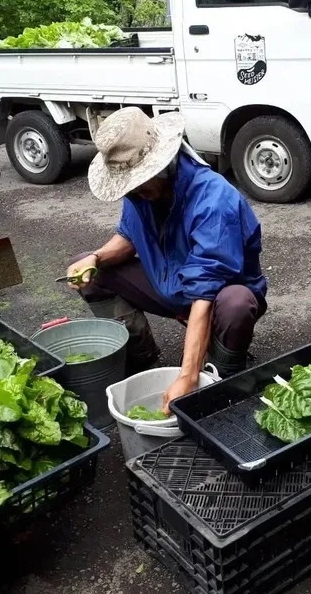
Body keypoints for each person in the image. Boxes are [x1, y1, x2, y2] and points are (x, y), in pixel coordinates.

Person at [67, 106, 267, 413]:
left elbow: (204, 293)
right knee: (92, 270)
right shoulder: (140, 193)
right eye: (130, 186)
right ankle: (142, 357)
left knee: (237, 303)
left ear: (163, 163)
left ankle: (222, 375)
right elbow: (129, 237)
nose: (135, 191)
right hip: (170, 284)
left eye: (140, 182)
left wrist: (187, 376)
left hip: (215, 296)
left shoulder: (213, 199)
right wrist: (96, 257)